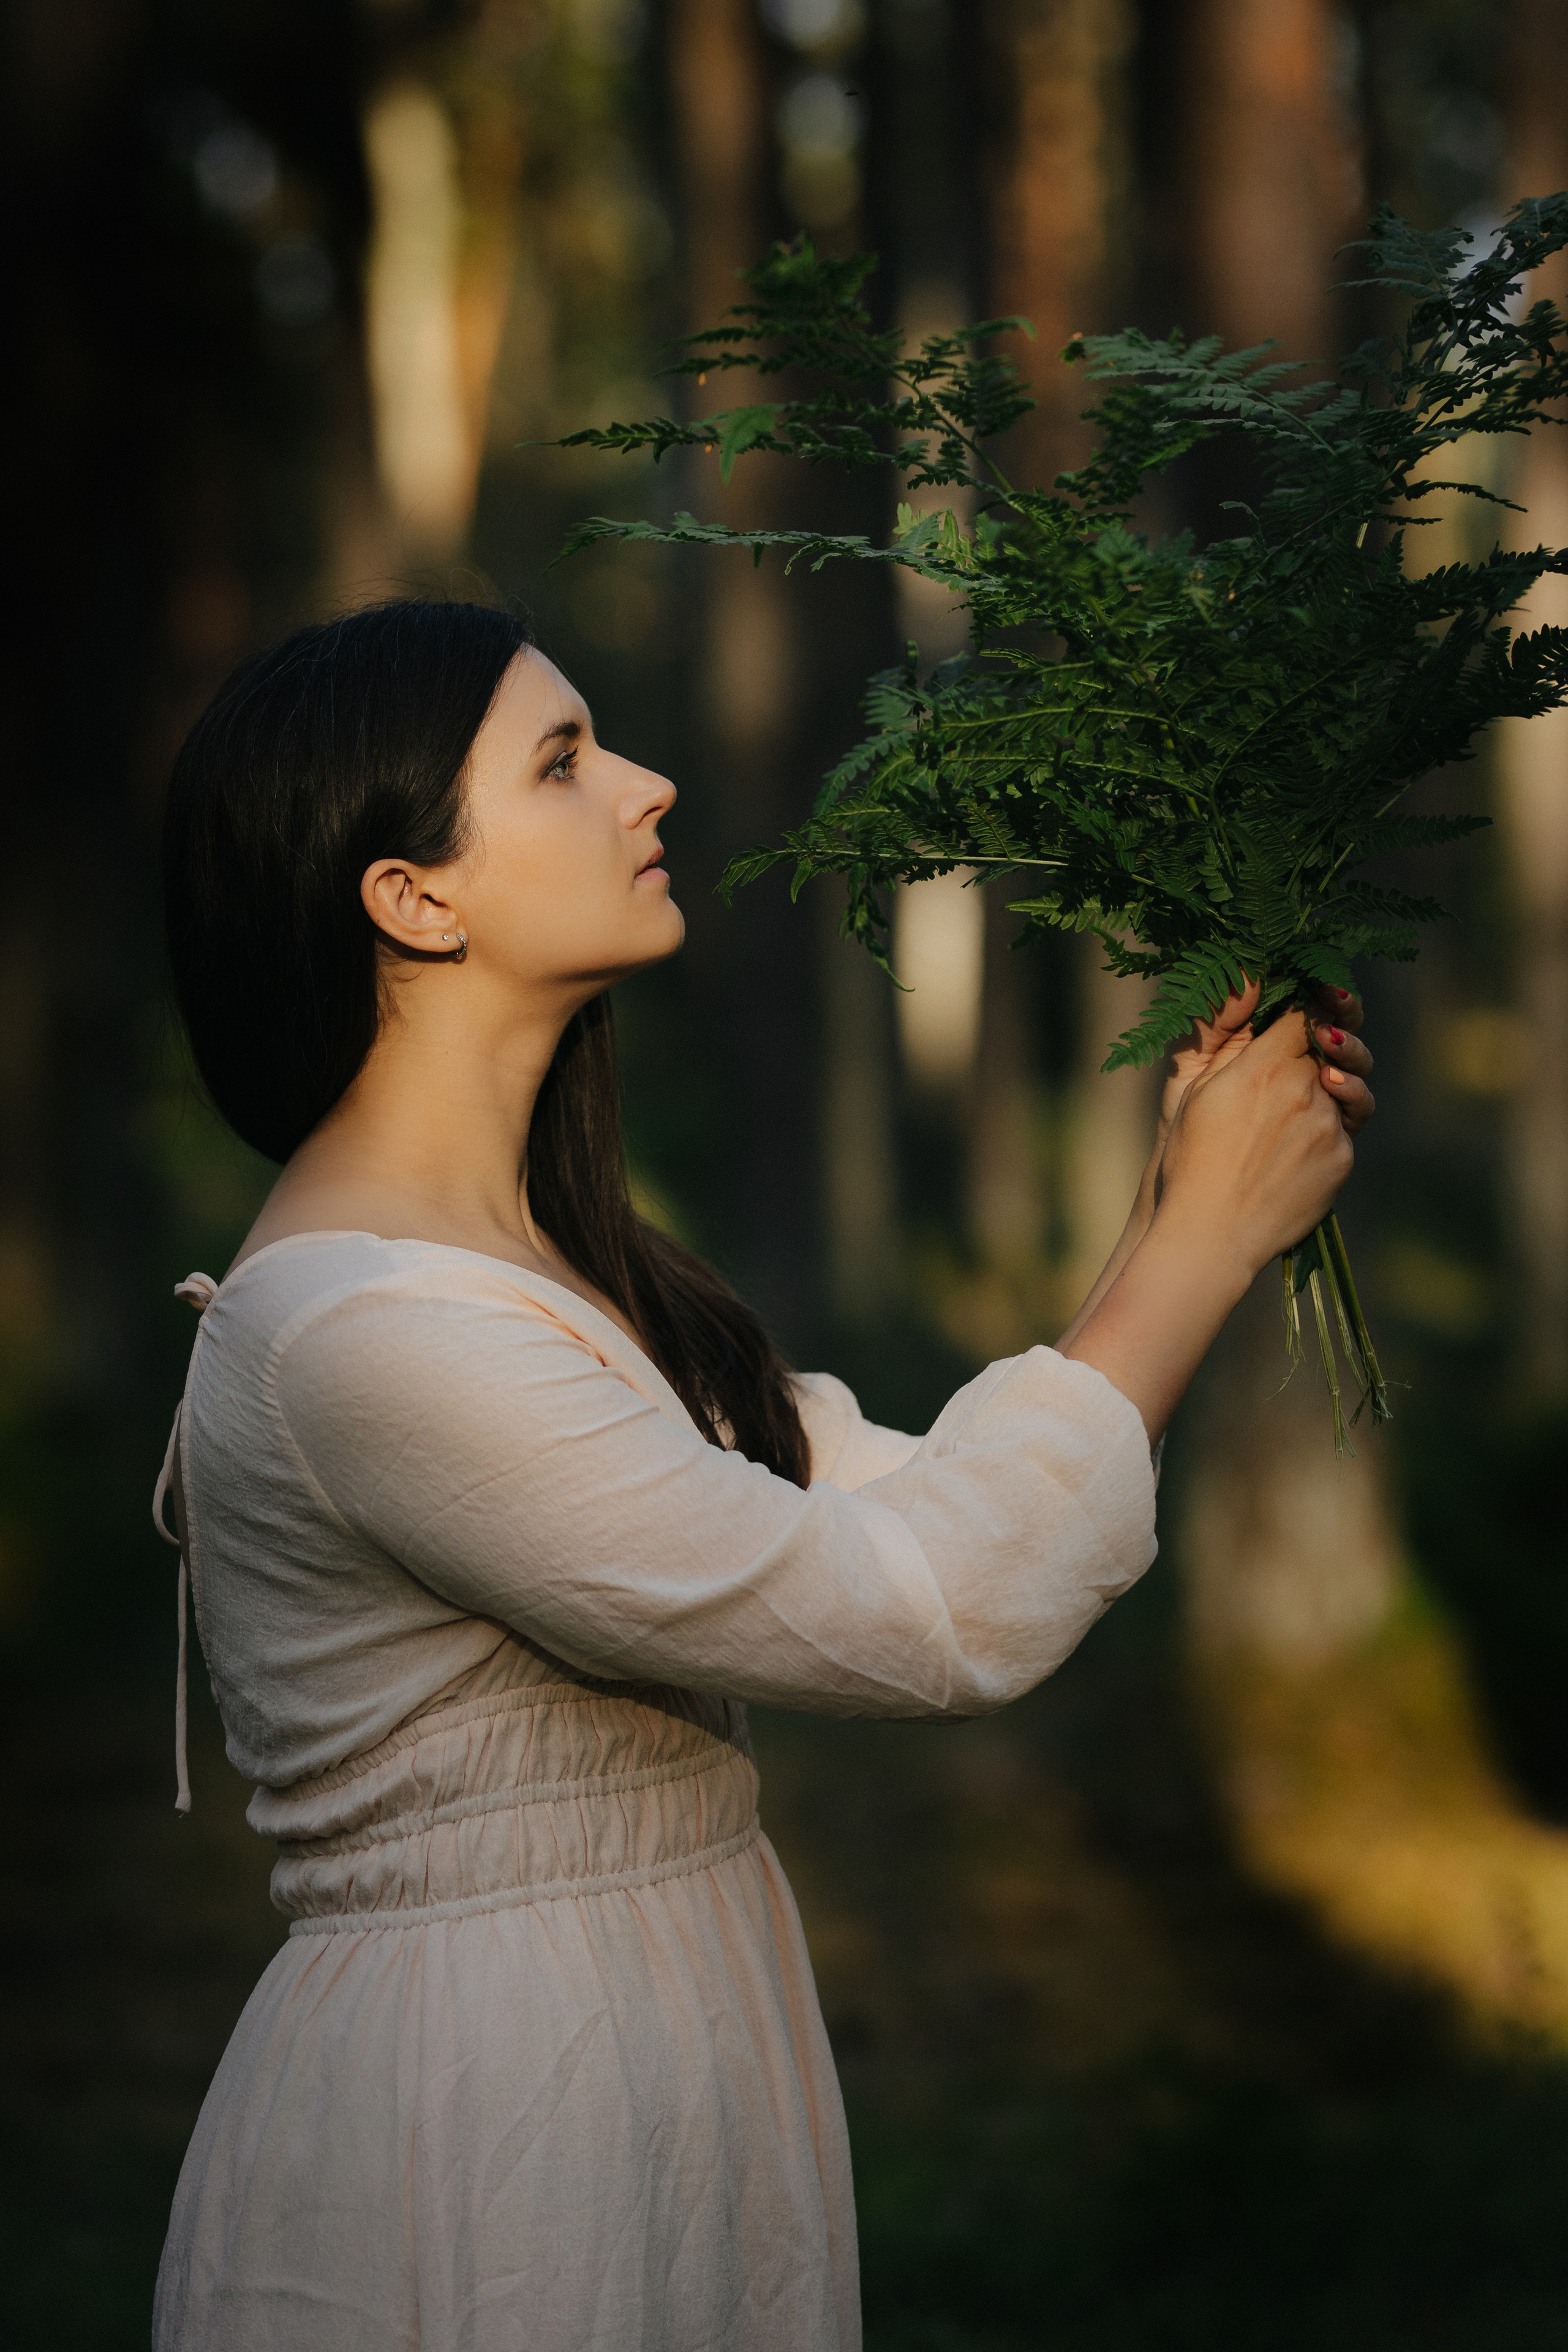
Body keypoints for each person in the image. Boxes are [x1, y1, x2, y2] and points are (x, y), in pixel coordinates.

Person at [150, 600, 1374, 2352]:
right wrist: (1200, 1250)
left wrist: (1185, 1203)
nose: (646, 785)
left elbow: (924, 1504)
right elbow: (934, 1610)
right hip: (485, 2129)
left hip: (648, 2064)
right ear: (413, 899)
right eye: (564, 762)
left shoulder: (545, 1272)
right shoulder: (367, 1337)